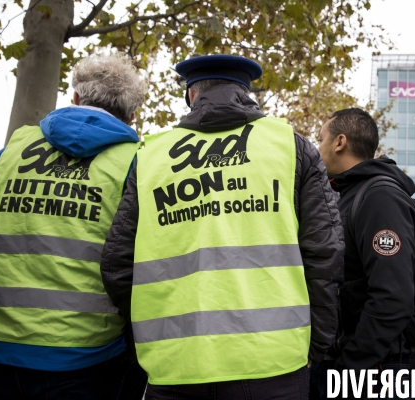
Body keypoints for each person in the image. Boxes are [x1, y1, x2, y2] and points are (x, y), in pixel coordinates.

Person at [100, 54, 344, 399]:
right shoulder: (291, 146)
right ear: (247, 94)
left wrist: (152, 328)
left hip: (175, 364)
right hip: (273, 363)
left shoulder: (151, 156)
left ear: (191, 96)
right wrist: (317, 344)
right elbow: (324, 253)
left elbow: (118, 264)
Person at [0, 55, 148, 398]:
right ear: (132, 115)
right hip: (87, 355)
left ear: (75, 97)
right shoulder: (136, 165)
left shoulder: (10, 154)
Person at [315, 108, 415, 397]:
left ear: (339, 142)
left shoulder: (378, 196)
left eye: (320, 139)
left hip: (375, 370)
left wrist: (349, 368)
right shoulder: (349, 194)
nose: (317, 147)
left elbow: (393, 297)